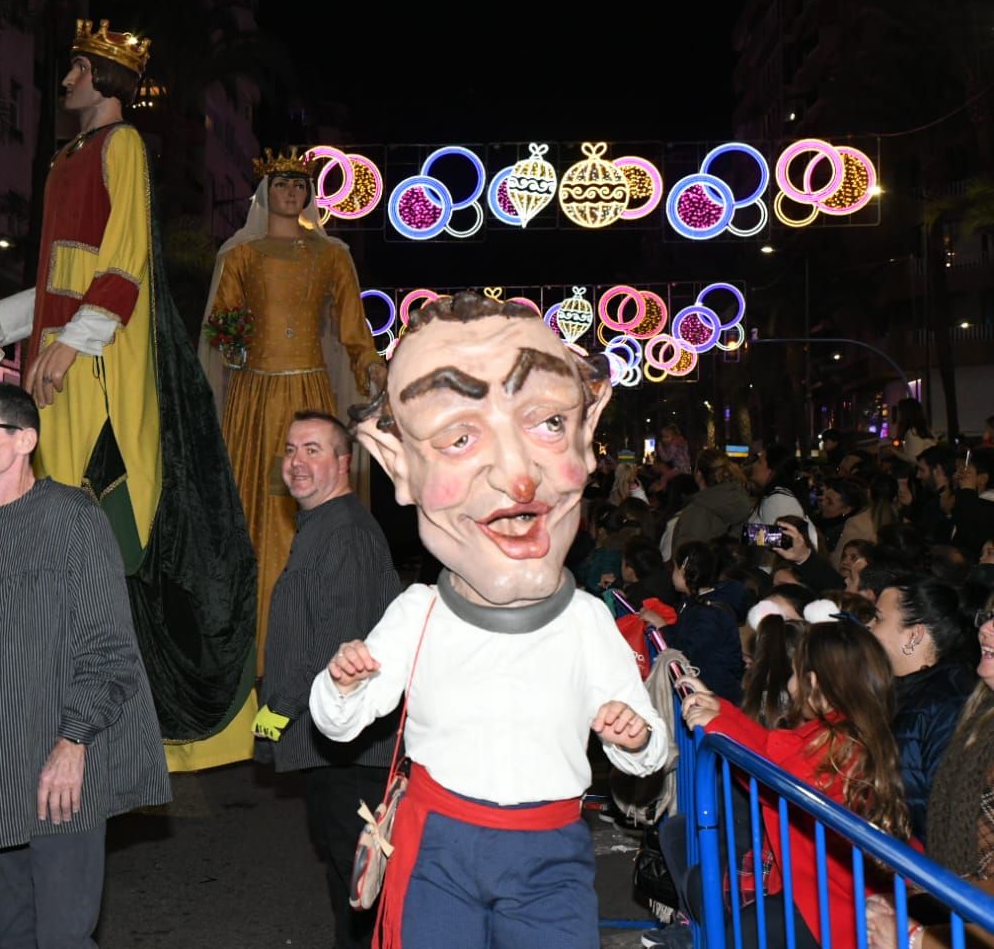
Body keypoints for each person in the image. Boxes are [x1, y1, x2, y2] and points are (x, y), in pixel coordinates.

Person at [0, 20, 255, 769]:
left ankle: (116, 711)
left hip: (102, 364)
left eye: (79, 67)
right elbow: (62, 275)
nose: (67, 77)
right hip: (66, 356)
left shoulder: (122, 145)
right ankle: (57, 698)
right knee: (55, 517)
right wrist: (3, 318)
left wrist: (69, 343)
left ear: (107, 80)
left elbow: (121, 264)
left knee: (100, 522)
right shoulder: (68, 157)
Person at [310, 292, 668, 947]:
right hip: (436, 852)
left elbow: (647, 747)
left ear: (586, 440)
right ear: (396, 463)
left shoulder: (585, 622)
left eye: (546, 424)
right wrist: (342, 683)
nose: (516, 476)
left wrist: (633, 737)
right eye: (458, 435)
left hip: (549, 854)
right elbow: (340, 721)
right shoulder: (417, 615)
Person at [0, 383, 169, 947]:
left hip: (59, 768)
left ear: (24, 440)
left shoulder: (72, 518)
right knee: (14, 930)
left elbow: (109, 647)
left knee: (62, 935)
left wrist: (73, 742)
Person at [198, 148, 387, 668]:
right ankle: (247, 657)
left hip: (308, 394)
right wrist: (236, 345)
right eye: (282, 184)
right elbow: (222, 327)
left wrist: (370, 364)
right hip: (254, 403)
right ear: (264, 191)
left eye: (300, 185)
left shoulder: (332, 256)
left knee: (312, 513)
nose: (291, 193)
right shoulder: (239, 255)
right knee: (252, 512)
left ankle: (314, 648)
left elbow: (353, 328)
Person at [253, 412, 400, 949]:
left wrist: (275, 713)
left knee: (364, 891)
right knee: (350, 886)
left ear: (344, 462)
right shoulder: (323, 528)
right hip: (332, 746)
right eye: (291, 449)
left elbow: (337, 648)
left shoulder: (347, 533)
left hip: (350, 752)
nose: (297, 462)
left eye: (313, 450)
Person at [681, 622, 912, 949]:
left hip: (831, 912)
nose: (790, 684)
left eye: (794, 673)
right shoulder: (853, 734)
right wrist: (722, 713)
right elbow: (770, 748)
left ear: (813, 683)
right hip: (820, 896)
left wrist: (719, 724)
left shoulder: (835, 748)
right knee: (710, 889)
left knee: (741, 927)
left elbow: (774, 774)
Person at [868, 578, 976, 839]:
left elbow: (948, 811)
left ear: (914, 635)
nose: (869, 627)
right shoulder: (894, 689)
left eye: (879, 619)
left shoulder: (950, 703)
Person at [642, 541, 745, 705]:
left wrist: (661, 625)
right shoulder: (694, 602)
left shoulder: (710, 612)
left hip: (717, 698)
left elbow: (687, 654)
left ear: (684, 570)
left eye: (674, 568)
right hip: (703, 689)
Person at [669, 449, 754, 557]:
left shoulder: (696, 511)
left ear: (698, 475)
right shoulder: (745, 503)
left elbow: (686, 560)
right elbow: (765, 540)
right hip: (737, 572)